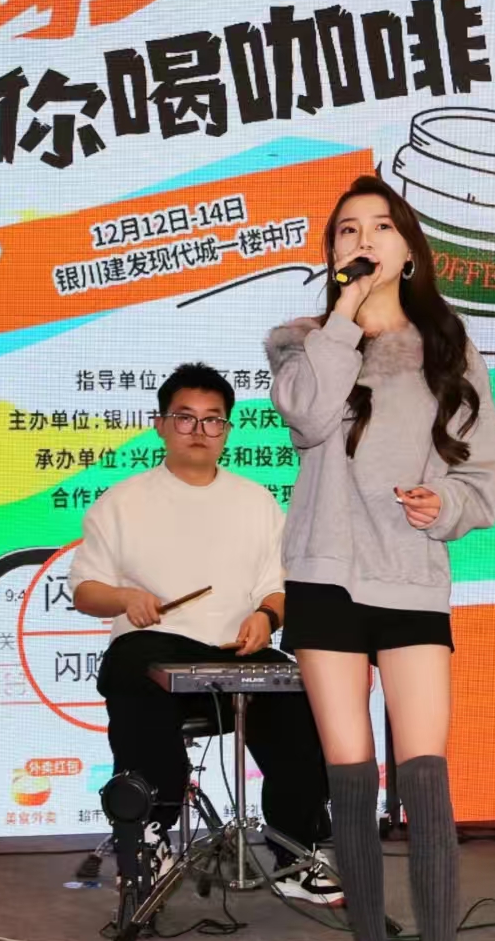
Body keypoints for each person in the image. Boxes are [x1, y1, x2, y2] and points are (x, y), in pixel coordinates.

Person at [265, 174, 495, 941]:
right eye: (345, 231)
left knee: (426, 771)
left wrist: (444, 505)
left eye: (379, 226)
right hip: (325, 574)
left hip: (409, 574)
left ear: (409, 248)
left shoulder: (449, 346)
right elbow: (306, 417)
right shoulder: (301, 341)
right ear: (332, 252)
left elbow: (482, 472)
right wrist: (343, 316)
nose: (362, 239)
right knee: (349, 774)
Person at [71, 362, 338, 904]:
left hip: (237, 654)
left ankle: (298, 849)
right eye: (185, 418)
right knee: (133, 668)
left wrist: (266, 618)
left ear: (227, 429)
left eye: (213, 420)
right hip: (158, 651)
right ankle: (149, 835)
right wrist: (125, 598)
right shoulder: (122, 502)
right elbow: (85, 590)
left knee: (301, 693)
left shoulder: (257, 502)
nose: (199, 430)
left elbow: (278, 588)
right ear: (160, 425)